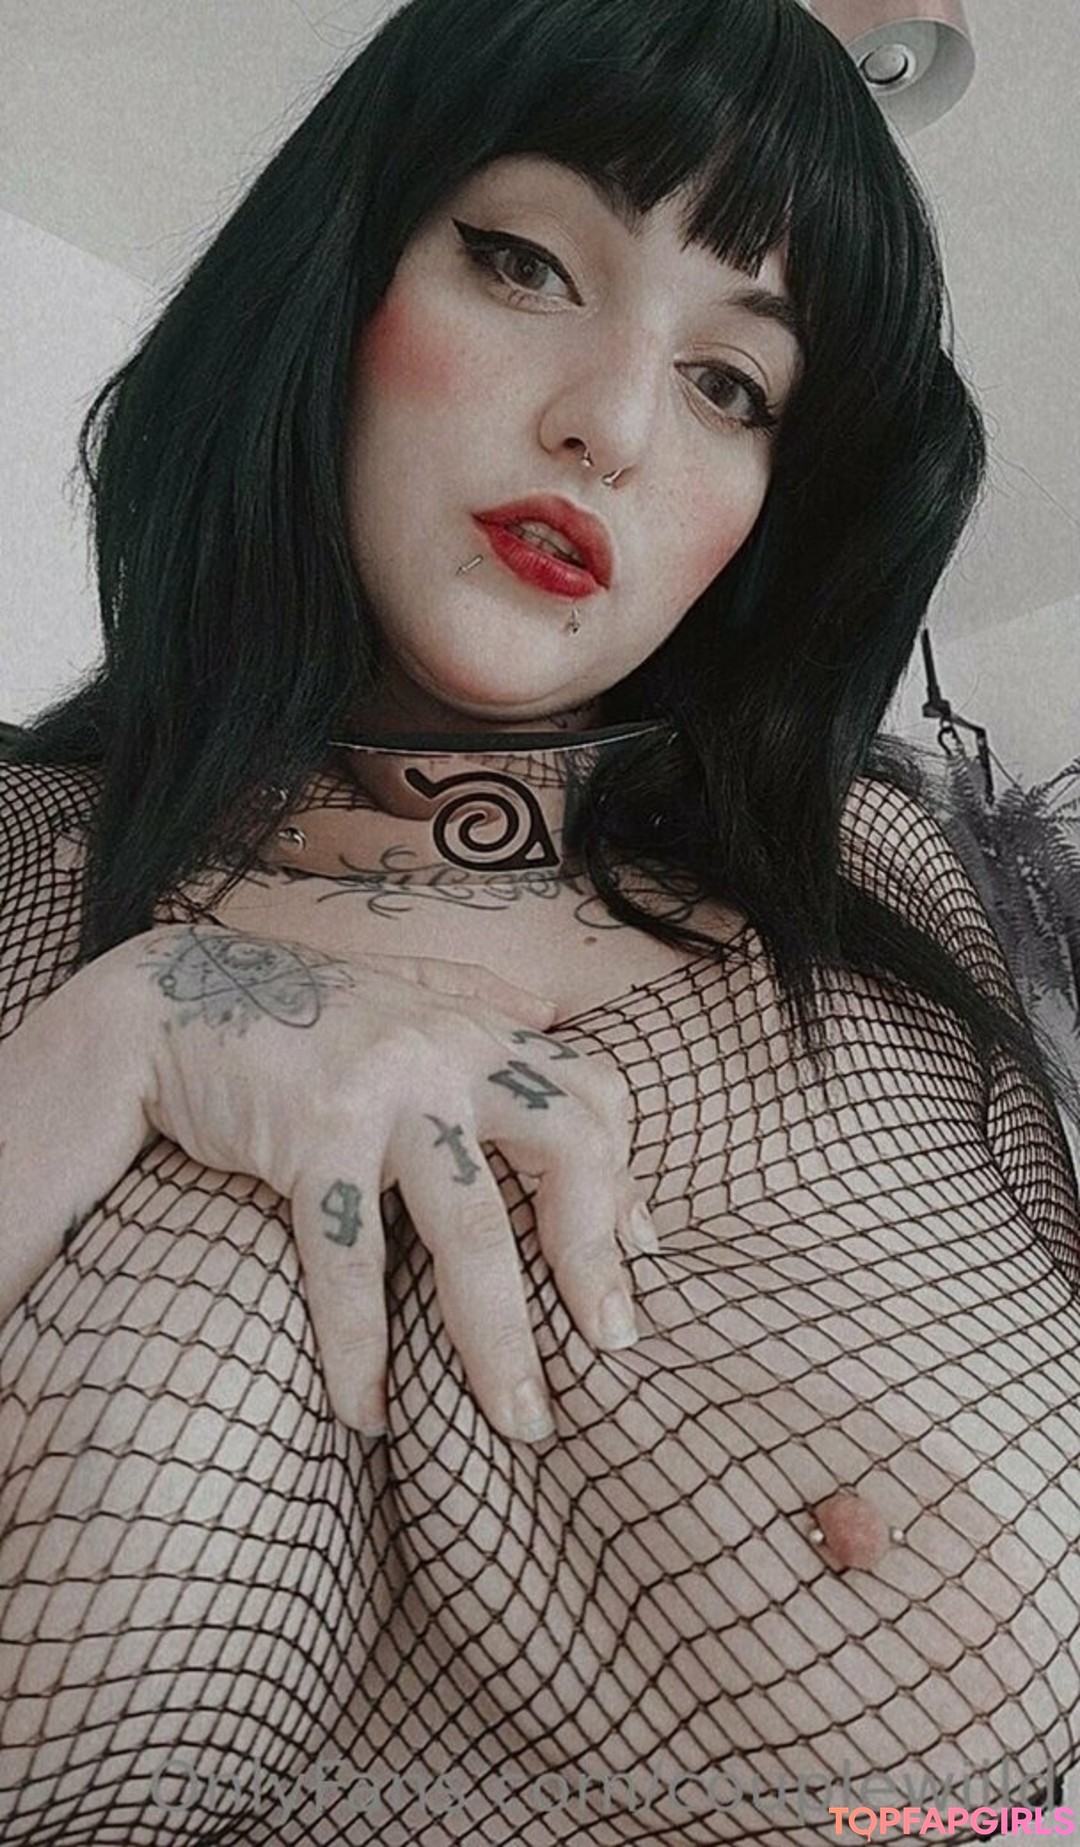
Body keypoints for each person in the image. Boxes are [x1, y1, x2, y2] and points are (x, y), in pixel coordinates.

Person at [2, 0, 1079, 1839]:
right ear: (339, 275)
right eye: (524, 263)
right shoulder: (21, 863)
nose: (614, 426)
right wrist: (126, 1023)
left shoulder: (883, 890)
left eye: (735, 385)